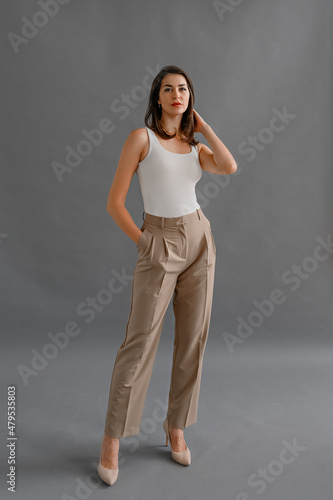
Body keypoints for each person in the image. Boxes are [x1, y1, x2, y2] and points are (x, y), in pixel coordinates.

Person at [97, 65, 237, 485]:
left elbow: (229, 166)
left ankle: (175, 426)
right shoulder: (142, 140)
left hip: (198, 240)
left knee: (193, 339)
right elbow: (114, 203)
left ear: (190, 98)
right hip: (158, 241)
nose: (177, 95)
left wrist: (204, 126)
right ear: (157, 98)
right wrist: (145, 243)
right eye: (169, 89)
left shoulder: (194, 147)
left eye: (184, 90)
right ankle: (111, 440)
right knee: (138, 344)